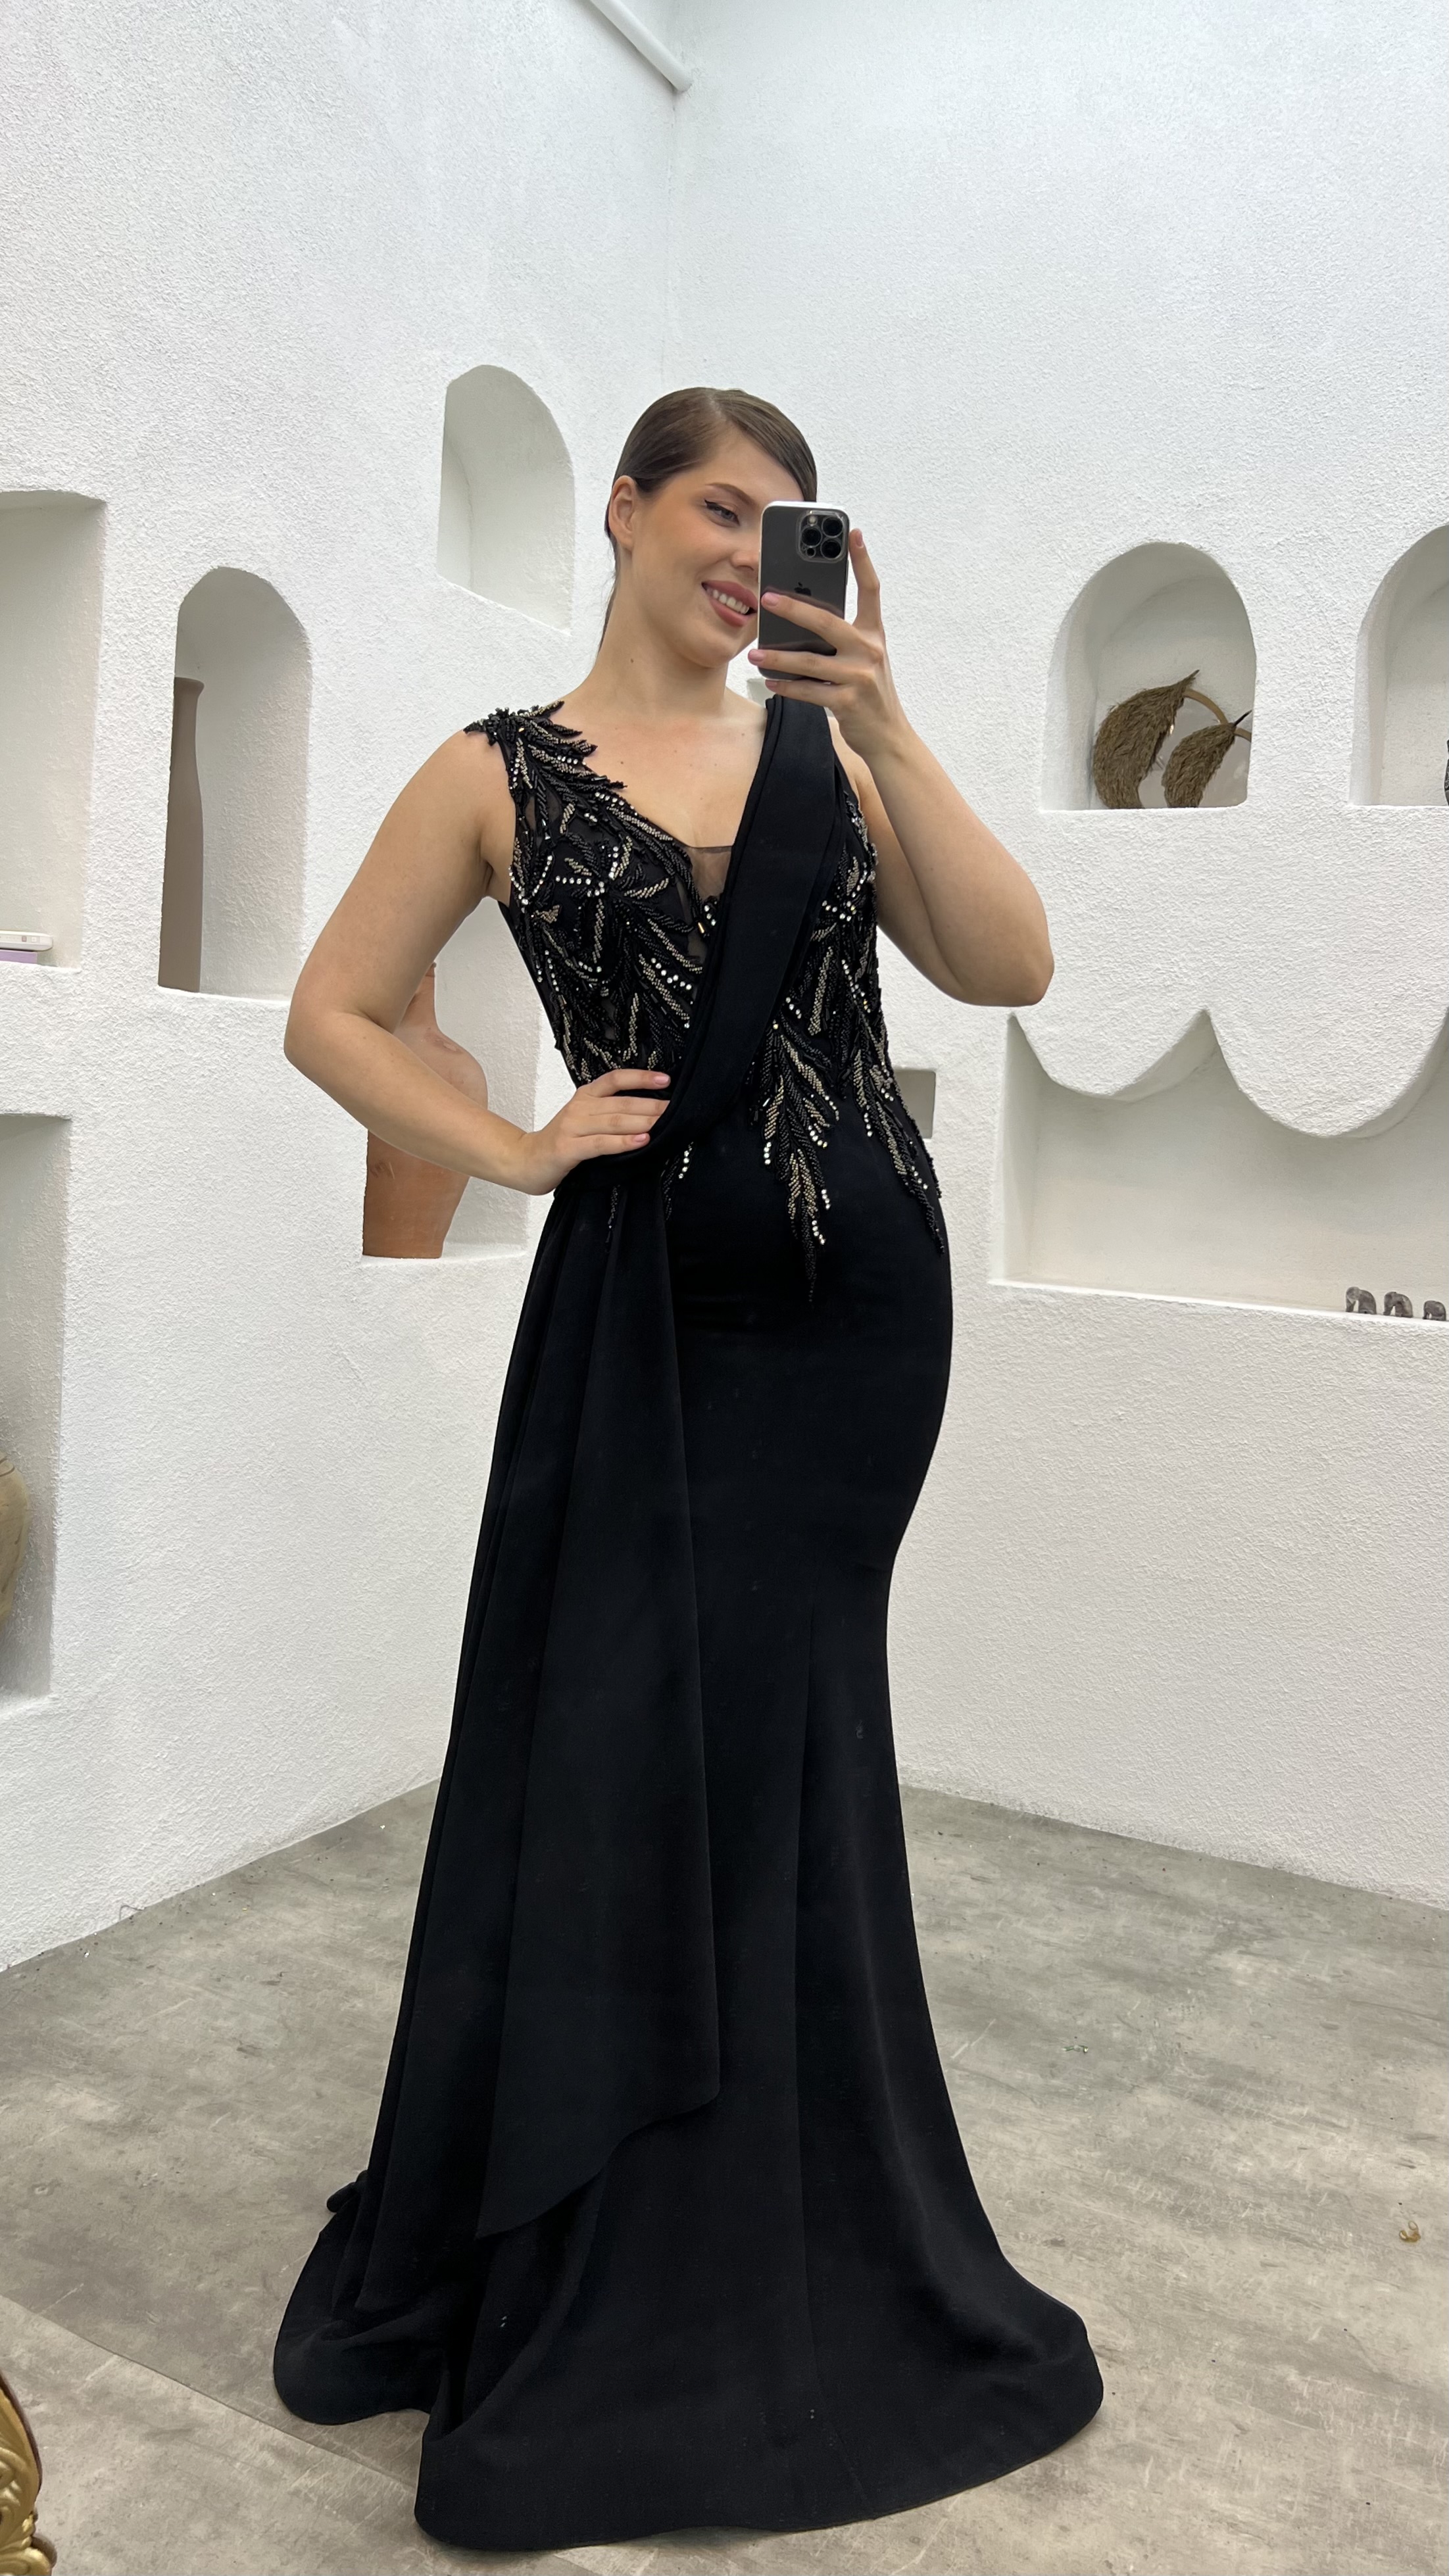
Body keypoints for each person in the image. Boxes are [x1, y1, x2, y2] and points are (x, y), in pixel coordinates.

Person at [272, 385, 1103, 2550]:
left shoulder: (828, 750)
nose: (751, 554)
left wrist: (883, 714)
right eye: (720, 510)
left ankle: (773, 2222)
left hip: (856, 1326)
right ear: (625, 512)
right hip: (639, 1317)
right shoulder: (491, 769)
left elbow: (1010, 963)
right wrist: (512, 1144)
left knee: (785, 1749)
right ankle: (621, 2218)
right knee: (622, 1743)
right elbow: (333, 1011)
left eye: (787, 523)